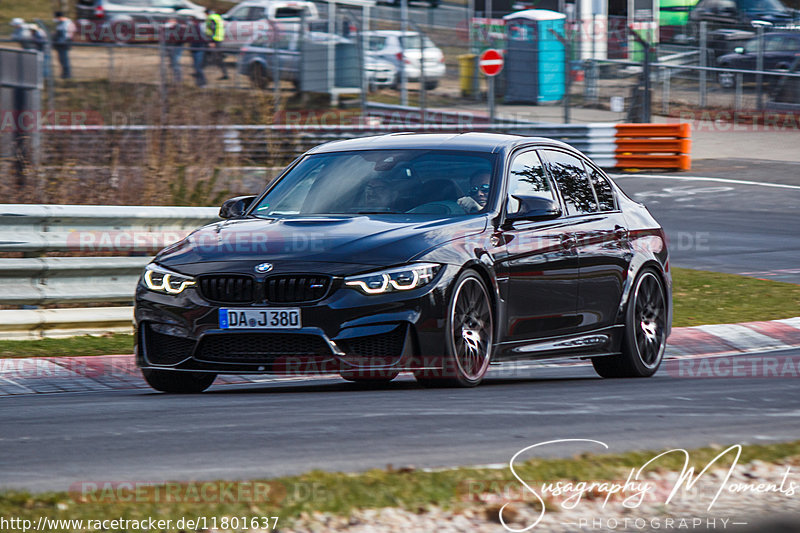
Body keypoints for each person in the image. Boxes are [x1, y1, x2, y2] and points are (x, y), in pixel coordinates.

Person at [204, 8, 228, 80]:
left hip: (214, 40)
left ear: (207, 13)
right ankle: (200, 71)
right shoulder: (218, 17)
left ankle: (225, 74)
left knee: (217, 57)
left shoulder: (211, 18)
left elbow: (213, 28)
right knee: (208, 55)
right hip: (219, 39)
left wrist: (212, 41)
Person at [52, 11, 74, 79]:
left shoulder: (66, 23)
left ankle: (67, 74)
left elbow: (65, 35)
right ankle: (64, 74)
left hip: (64, 43)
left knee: (64, 59)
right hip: (61, 44)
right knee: (62, 59)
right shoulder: (62, 23)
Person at [188, 16, 209, 87]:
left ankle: (202, 83)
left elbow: (201, 38)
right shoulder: (194, 28)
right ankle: (199, 83)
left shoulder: (198, 28)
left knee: (198, 67)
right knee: (196, 67)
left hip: (199, 48)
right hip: (195, 49)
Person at [164, 18, 185, 84]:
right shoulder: (168, 28)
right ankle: (175, 78)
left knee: (175, 63)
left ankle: (178, 78)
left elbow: (180, 38)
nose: (169, 23)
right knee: (173, 63)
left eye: (170, 21)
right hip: (170, 47)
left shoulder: (179, 28)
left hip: (176, 47)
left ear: (174, 22)